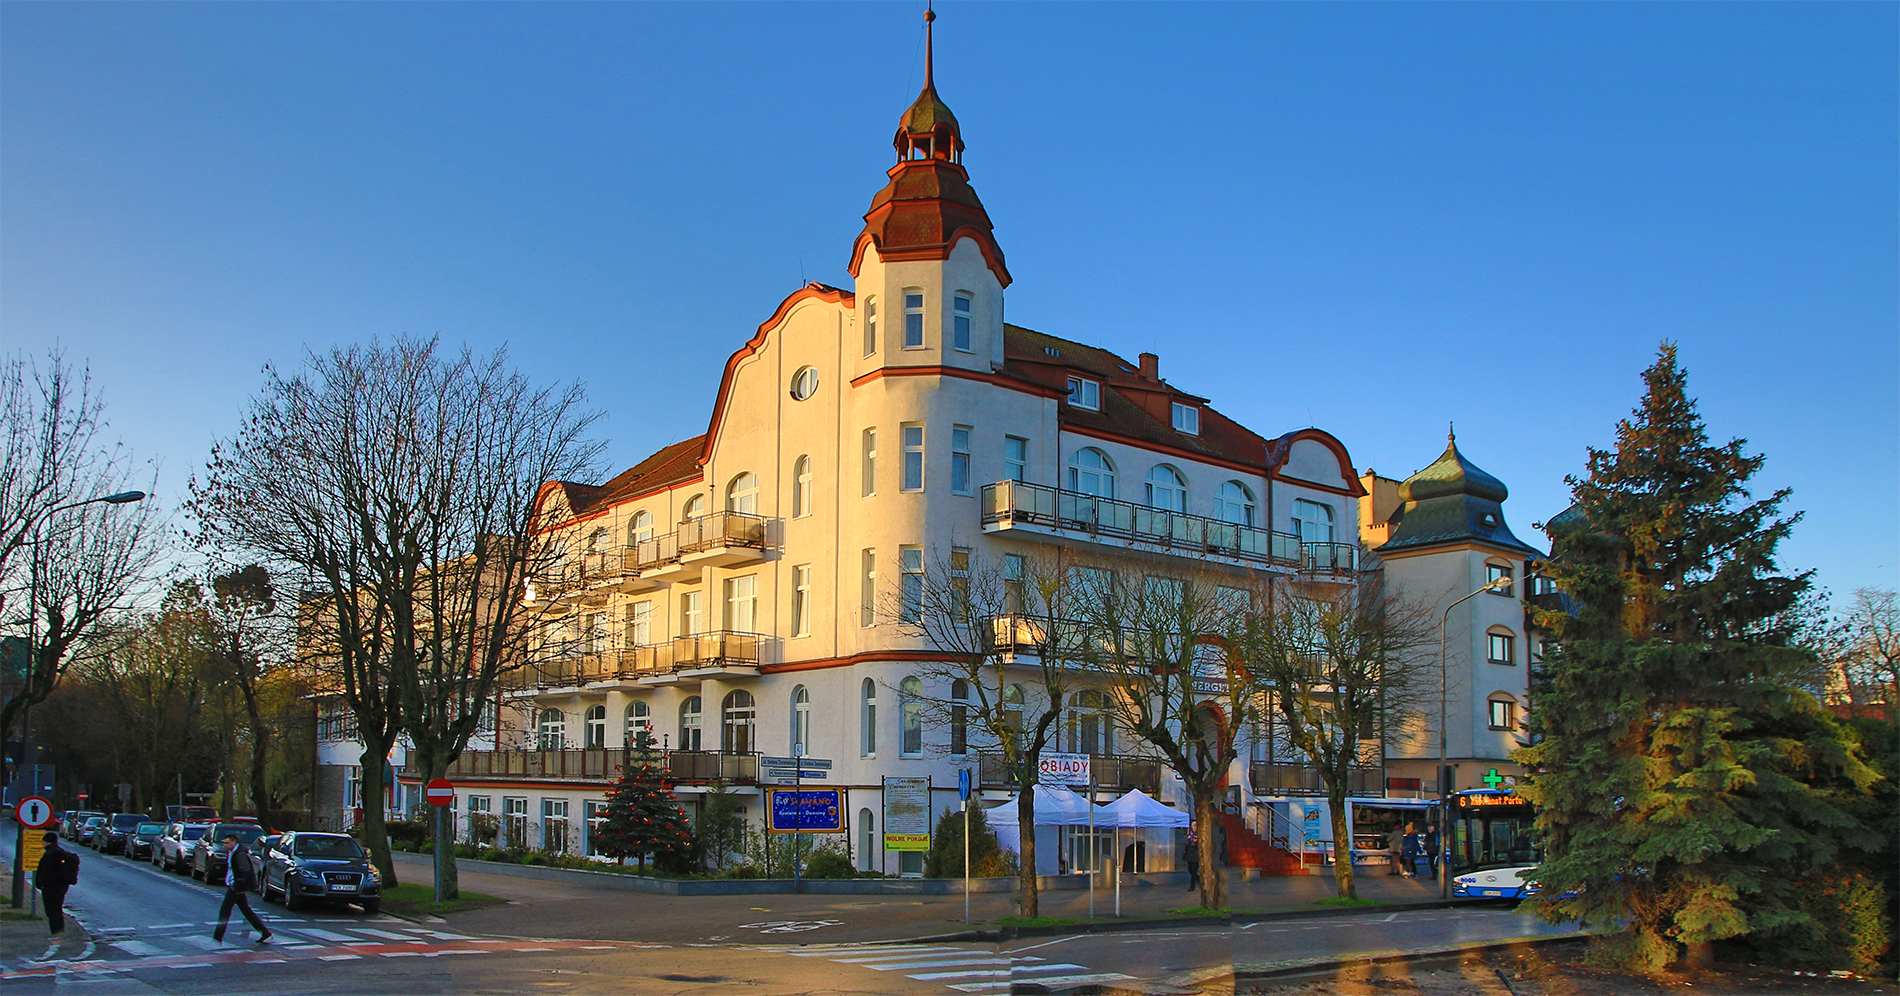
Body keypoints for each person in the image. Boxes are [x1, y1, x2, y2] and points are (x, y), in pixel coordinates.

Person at [211, 833, 272, 944]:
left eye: (227, 843)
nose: (225, 845)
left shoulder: (239, 855)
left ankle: (217, 937)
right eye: (224, 843)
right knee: (246, 910)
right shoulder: (234, 853)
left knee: (225, 911)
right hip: (237, 886)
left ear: (234, 842)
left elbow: (245, 871)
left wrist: (237, 885)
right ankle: (265, 932)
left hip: (236, 887)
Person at [34, 831, 79, 935]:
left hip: (51, 886)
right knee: (57, 908)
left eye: (43, 842)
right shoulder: (60, 852)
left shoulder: (50, 854)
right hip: (62, 885)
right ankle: (60, 929)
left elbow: (47, 871)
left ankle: (56, 931)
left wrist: (42, 884)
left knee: (52, 910)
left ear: (46, 842)